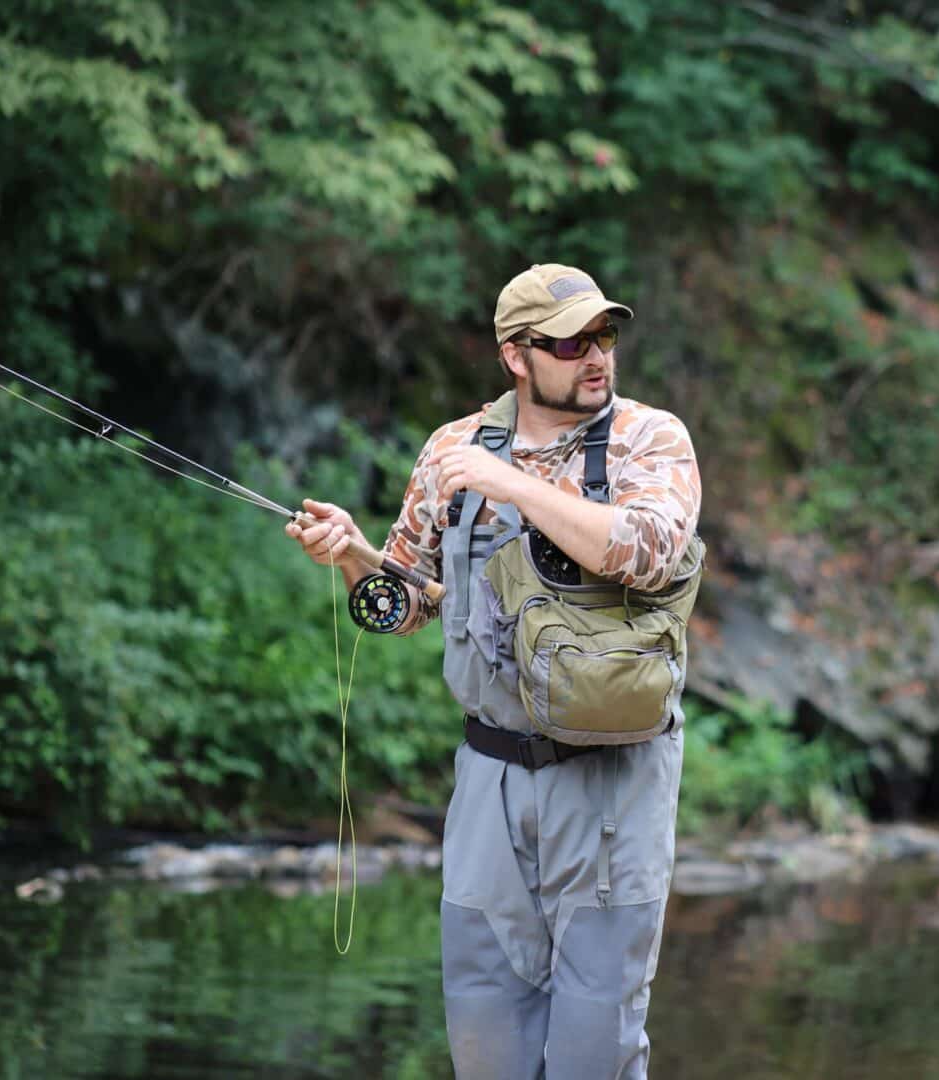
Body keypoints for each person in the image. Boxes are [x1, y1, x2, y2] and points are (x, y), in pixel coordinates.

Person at [287, 263, 702, 1078]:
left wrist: (510, 480)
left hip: (614, 781)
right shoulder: (451, 450)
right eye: (571, 342)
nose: (597, 356)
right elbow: (405, 603)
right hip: (488, 780)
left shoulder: (651, 438)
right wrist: (352, 556)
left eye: (605, 335)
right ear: (516, 355)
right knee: (486, 1044)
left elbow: (649, 553)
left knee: (595, 1048)